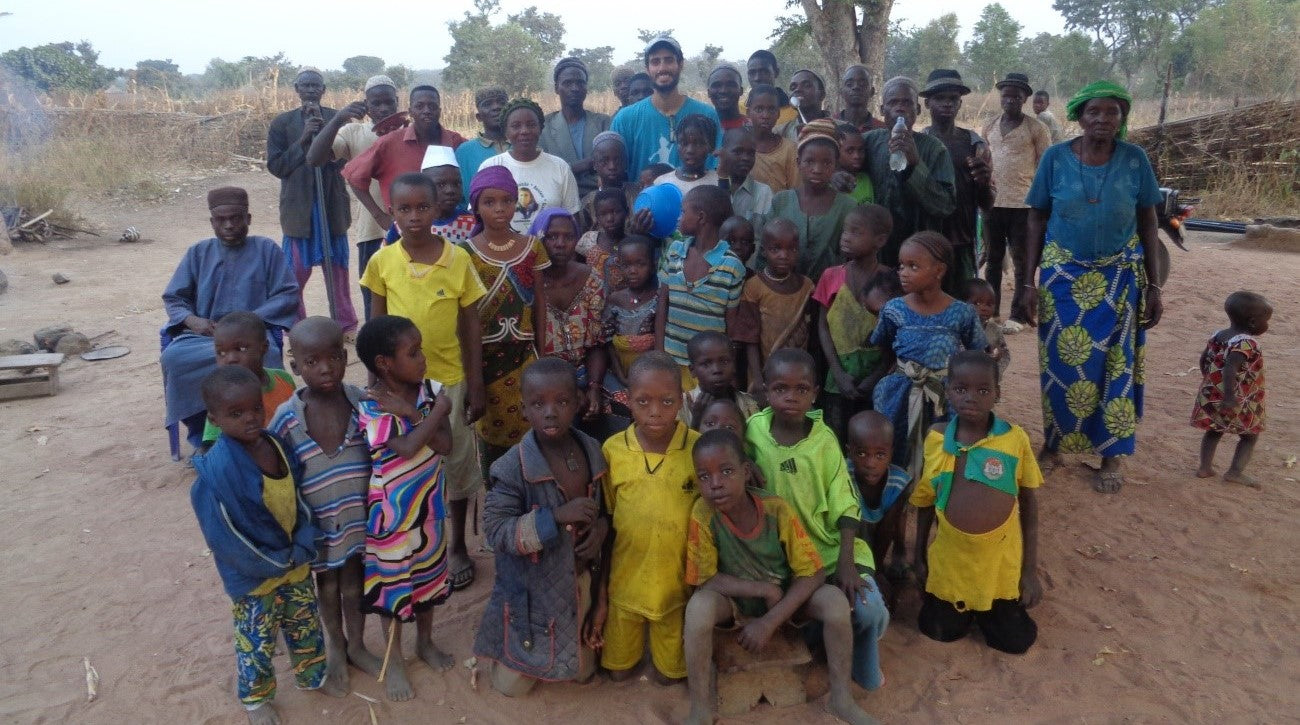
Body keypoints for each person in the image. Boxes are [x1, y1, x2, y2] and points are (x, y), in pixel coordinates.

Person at [1024, 81, 1165, 494]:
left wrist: (1154, 286)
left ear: (1121, 118)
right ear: (1079, 116)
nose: (1102, 119)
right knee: (1061, 366)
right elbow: (1035, 219)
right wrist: (1028, 281)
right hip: (1062, 279)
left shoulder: (1135, 160)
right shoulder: (1055, 159)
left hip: (1120, 279)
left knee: (1116, 368)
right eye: (1094, 112)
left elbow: (1149, 222)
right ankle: (1055, 446)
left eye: (1112, 112)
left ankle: (1111, 453)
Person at [683, 429, 876, 725]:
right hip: (734, 602)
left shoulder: (775, 509)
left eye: (726, 471)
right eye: (704, 476)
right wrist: (760, 589)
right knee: (698, 608)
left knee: (835, 602)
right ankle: (700, 708)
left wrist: (770, 621)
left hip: (785, 600)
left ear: (746, 472)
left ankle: (841, 698)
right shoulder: (703, 512)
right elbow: (704, 578)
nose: (716, 484)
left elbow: (813, 573)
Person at [189, 366, 344, 724]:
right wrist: (276, 563)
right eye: (236, 414)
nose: (250, 419)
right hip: (256, 576)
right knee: (256, 640)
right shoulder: (216, 473)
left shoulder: (275, 443)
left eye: (255, 409)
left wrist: (303, 543)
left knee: (304, 623)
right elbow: (226, 540)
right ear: (214, 418)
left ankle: (312, 675)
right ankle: (256, 699)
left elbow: (298, 495)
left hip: (295, 562)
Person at [361, 172, 488, 592]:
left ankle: (455, 545)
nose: (413, 217)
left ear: (436, 210)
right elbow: (375, 326)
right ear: (391, 212)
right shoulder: (381, 262)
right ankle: (415, 541)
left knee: (454, 464)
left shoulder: (459, 260)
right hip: (400, 387)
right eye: (403, 209)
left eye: (422, 207)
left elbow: (471, 326)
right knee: (410, 466)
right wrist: (375, 383)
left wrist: (476, 382)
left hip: (448, 379)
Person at [745, 348, 890, 692]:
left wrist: (845, 564)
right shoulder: (753, 431)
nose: (790, 398)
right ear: (766, 390)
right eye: (780, 388)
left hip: (827, 550)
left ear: (814, 394)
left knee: (869, 609)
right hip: (779, 558)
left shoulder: (824, 442)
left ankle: (863, 661)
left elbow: (845, 505)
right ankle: (820, 639)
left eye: (801, 389)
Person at [474, 357, 610, 695]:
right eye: (538, 404)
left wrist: (602, 528)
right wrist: (558, 516)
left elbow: (606, 510)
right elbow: (497, 532)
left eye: (562, 402)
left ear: (578, 402)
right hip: (533, 589)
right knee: (513, 687)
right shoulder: (510, 468)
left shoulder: (592, 450)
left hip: (580, 577)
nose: (550, 412)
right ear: (523, 410)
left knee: (584, 673)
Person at [268, 317, 378, 692]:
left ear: (345, 357)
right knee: (327, 585)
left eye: (333, 357)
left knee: (355, 582)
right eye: (311, 362)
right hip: (318, 526)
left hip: (357, 520)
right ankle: (336, 644)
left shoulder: (363, 405)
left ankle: (359, 645)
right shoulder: (285, 418)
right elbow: (280, 477)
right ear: (295, 366)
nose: (325, 368)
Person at [913, 350, 1042, 654]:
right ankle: (961, 605)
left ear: (997, 394)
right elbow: (925, 501)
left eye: (983, 390)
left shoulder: (1014, 440)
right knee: (938, 632)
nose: (971, 397)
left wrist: (1030, 571)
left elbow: (1029, 503)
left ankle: (991, 608)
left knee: (1015, 641)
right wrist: (918, 556)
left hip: (999, 563)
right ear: (948, 391)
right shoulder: (935, 439)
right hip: (951, 561)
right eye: (961, 389)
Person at [354, 315, 456, 701]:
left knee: (429, 580)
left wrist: (421, 412)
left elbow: (445, 446)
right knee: (395, 590)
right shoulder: (374, 405)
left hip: (430, 510)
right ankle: (394, 658)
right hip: (393, 519)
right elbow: (409, 447)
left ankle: (425, 644)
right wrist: (429, 414)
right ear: (384, 363)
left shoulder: (431, 391)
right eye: (412, 353)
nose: (423, 358)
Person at [162, 186, 298, 451]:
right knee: (174, 358)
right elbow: (174, 298)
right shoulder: (198, 252)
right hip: (207, 338)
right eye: (221, 220)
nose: (229, 225)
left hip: (251, 336)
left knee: (266, 358)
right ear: (212, 222)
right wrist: (193, 321)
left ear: (248, 218)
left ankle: (269, 432)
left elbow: (287, 294)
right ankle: (203, 434)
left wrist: (249, 321)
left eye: (235, 218)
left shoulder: (266, 250)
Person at [599, 351, 700, 683]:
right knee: (618, 672)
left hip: (675, 588)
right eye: (643, 402)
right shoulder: (613, 450)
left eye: (667, 401)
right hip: (625, 585)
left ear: (681, 398)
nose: (656, 412)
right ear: (627, 399)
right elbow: (611, 514)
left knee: (671, 676)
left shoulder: (696, 449)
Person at [870, 232, 987, 476]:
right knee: (897, 442)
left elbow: (977, 353)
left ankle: (936, 493)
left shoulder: (962, 313)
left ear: (939, 271)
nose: (903, 272)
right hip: (901, 390)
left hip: (944, 395)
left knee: (942, 448)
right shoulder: (894, 309)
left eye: (913, 266)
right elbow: (882, 343)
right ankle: (899, 489)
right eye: (901, 266)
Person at [461, 166, 552, 479]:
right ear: (476, 206)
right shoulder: (465, 254)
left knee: (532, 433)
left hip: (525, 358)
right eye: (489, 202)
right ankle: (498, 505)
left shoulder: (532, 248)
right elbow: (466, 318)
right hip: (486, 365)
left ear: (517, 202)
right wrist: (473, 380)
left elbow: (540, 305)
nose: (499, 208)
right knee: (493, 440)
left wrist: (544, 359)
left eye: (507, 200)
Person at [267, 68, 357, 334]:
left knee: (337, 272)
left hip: (331, 206)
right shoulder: (282, 124)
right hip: (299, 210)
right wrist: (305, 139)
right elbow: (277, 166)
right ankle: (297, 328)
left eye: (315, 85)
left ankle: (346, 325)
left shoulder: (338, 119)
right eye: (304, 85)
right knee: (294, 274)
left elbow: (345, 159)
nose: (310, 90)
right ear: (296, 89)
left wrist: (324, 139)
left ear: (323, 89)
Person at [306, 75, 400, 320]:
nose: (383, 109)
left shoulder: (412, 131)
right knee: (375, 305)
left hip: (411, 230)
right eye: (376, 103)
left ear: (397, 102)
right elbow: (315, 158)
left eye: (388, 102)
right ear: (366, 105)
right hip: (372, 232)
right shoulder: (353, 132)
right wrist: (337, 119)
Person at [343, 85, 466, 262]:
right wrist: (380, 216)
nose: (426, 111)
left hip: (450, 232)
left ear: (440, 110)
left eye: (432, 106)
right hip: (404, 234)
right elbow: (354, 176)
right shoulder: (390, 143)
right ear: (410, 111)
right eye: (420, 106)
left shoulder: (455, 142)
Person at [814, 205, 896, 440]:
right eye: (844, 231)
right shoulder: (831, 276)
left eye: (855, 232)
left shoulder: (889, 282)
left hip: (878, 381)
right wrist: (838, 372)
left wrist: (877, 375)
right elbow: (823, 326)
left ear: (879, 240)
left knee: (872, 439)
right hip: (837, 379)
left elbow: (895, 335)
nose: (846, 238)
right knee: (836, 438)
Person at [656, 185, 747, 390]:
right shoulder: (675, 251)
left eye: (683, 211)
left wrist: (726, 371)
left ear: (701, 217)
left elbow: (730, 327)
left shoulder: (731, 265)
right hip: (671, 361)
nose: (679, 217)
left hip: (707, 370)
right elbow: (662, 306)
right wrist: (659, 353)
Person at [863, 76, 957, 268]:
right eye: (893, 102)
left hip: (919, 249)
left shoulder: (934, 149)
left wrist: (916, 164)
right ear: (882, 110)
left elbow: (946, 206)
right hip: (875, 252)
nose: (900, 108)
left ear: (918, 110)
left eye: (907, 102)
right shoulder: (868, 142)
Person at [982, 73, 1051, 331]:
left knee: (1022, 261)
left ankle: (1019, 315)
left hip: (1023, 206)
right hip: (992, 204)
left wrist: (1043, 203)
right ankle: (991, 313)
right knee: (993, 261)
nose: (1010, 100)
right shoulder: (989, 126)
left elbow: (1046, 165)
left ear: (1024, 99)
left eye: (1016, 96)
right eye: (1006, 96)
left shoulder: (1036, 129)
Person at [920, 69, 994, 292]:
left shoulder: (975, 145)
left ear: (960, 104)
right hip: (925, 240)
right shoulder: (919, 144)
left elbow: (987, 202)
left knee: (962, 301)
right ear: (927, 104)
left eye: (953, 99)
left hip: (962, 240)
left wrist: (984, 182)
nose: (947, 104)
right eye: (940, 98)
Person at [610, 36, 722, 181]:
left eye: (669, 60)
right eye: (655, 62)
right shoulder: (625, 119)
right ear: (647, 69)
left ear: (681, 64)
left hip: (697, 201)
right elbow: (612, 172)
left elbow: (717, 169)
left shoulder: (708, 116)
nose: (662, 68)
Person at [534, 207, 609, 417]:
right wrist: (569, 390)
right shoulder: (527, 285)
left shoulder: (591, 280)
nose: (560, 243)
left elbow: (597, 343)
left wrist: (594, 388)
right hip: (541, 378)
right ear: (538, 238)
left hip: (586, 374)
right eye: (551, 236)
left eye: (568, 236)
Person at [1193, 291, 1271, 489]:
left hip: (1213, 394)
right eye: (1266, 320)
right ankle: (1235, 472)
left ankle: (1205, 467)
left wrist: (1208, 379)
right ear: (1252, 322)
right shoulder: (1247, 343)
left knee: (1214, 430)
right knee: (1249, 435)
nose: (1267, 325)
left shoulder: (1218, 335)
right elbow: (1230, 367)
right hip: (1239, 399)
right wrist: (1230, 397)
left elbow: (1204, 358)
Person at [770, 119, 858, 282]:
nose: (817, 170)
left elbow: (852, 260)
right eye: (809, 161)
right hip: (782, 293)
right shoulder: (781, 201)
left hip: (829, 297)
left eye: (826, 162)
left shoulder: (848, 207)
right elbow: (766, 249)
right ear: (798, 162)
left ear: (836, 165)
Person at [735, 218, 815, 395]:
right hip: (763, 373)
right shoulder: (753, 287)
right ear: (763, 251)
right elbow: (750, 338)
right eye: (775, 249)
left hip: (797, 374)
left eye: (791, 249)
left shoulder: (807, 286)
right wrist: (757, 377)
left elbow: (812, 333)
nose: (783, 255)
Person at [480, 98, 581, 234]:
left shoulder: (560, 167)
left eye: (531, 124)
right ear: (505, 132)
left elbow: (572, 219)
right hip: (503, 250)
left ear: (541, 128)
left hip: (549, 253)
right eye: (516, 126)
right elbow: (479, 217)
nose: (524, 131)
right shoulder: (491, 167)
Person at [200, 311, 298, 446]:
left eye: (240, 349)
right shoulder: (223, 395)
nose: (230, 359)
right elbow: (210, 447)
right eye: (221, 353)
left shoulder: (283, 379)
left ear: (264, 348)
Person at [845, 411, 910, 609]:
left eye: (880, 455)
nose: (871, 464)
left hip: (879, 536)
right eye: (861, 453)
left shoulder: (898, 482)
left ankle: (889, 562)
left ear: (891, 452)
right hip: (849, 540)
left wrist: (877, 569)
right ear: (849, 451)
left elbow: (887, 530)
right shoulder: (842, 475)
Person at [541, 57, 613, 199]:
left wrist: (567, 169)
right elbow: (544, 173)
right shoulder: (543, 127)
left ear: (586, 87)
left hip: (600, 201)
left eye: (580, 83)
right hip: (558, 200)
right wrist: (588, 163)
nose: (575, 88)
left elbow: (611, 165)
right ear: (556, 88)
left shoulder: (604, 123)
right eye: (567, 83)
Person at [603, 236, 660, 406]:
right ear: (619, 267)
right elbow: (607, 341)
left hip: (652, 370)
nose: (633, 271)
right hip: (621, 370)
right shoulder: (614, 299)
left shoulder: (658, 298)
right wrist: (621, 376)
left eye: (640, 264)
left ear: (652, 265)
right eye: (626, 265)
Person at [682, 330, 761, 428]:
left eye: (724, 361)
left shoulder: (749, 405)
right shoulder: (682, 405)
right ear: (692, 370)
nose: (717, 370)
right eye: (706, 364)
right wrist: (697, 420)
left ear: (734, 365)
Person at [455, 87, 510, 206]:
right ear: (478, 117)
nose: (496, 107)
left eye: (501, 102)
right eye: (487, 104)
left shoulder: (523, 146)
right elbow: (461, 200)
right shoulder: (464, 152)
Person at [577, 131, 638, 233]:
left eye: (617, 160)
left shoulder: (638, 193)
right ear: (594, 165)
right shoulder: (588, 203)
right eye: (604, 161)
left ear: (625, 162)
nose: (612, 166)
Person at [747, 85, 800, 194]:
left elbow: (795, 192)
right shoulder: (741, 146)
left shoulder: (790, 149)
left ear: (778, 114)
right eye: (759, 109)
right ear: (748, 113)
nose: (765, 115)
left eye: (771, 109)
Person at [577, 187, 630, 291]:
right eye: (603, 214)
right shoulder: (588, 240)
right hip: (592, 302)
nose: (610, 218)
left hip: (622, 304)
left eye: (615, 212)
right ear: (597, 216)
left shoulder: (633, 245)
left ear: (626, 212)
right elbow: (577, 268)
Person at [654, 114, 721, 194]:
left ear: (711, 146)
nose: (690, 150)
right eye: (683, 143)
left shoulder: (718, 183)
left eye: (699, 144)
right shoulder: (662, 183)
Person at [719, 127, 773, 225]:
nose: (745, 158)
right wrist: (723, 180)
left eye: (751, 153)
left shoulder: (763, 192)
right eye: (738, 152)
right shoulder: (709, 185)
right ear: (722, 152)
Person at [742, 50, 799, 127]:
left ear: (776, 72)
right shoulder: (740, 108)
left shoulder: (795, 111)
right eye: (752, 73)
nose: (757, 78)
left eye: (764, 72)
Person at [964, 278, 1009, 374]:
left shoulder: (994, 328)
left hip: (988, 378)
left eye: (989, 304)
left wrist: (998, 355)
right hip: (964, 377)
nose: (984, 308)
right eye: (977, 303)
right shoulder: (961, 328)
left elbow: (1005, 354)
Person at [779, 68, 830, 140]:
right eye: (793, 87)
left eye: (806, 85)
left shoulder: (840, 130)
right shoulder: (780, 133)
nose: (797, 89)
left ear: (821, 95)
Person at [833, 122, 874, 205]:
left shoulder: (866, 179)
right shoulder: (830, 183)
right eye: (850, 151)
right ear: (836, 152)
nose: (857, 156)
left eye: (861, 150)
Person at [837, 65, 886, 132]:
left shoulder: (882, 130)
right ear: (841, 92)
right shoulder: (828, 125)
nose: (856, 87)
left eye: (862, 84)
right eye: (849, 84)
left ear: (872, 92)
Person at [707, 65, 747, 131]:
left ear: (741, 91)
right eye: (717, 85)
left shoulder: (754, 128)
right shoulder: (702, 128)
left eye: (731, 85)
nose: (723, 91)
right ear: (708, 92)